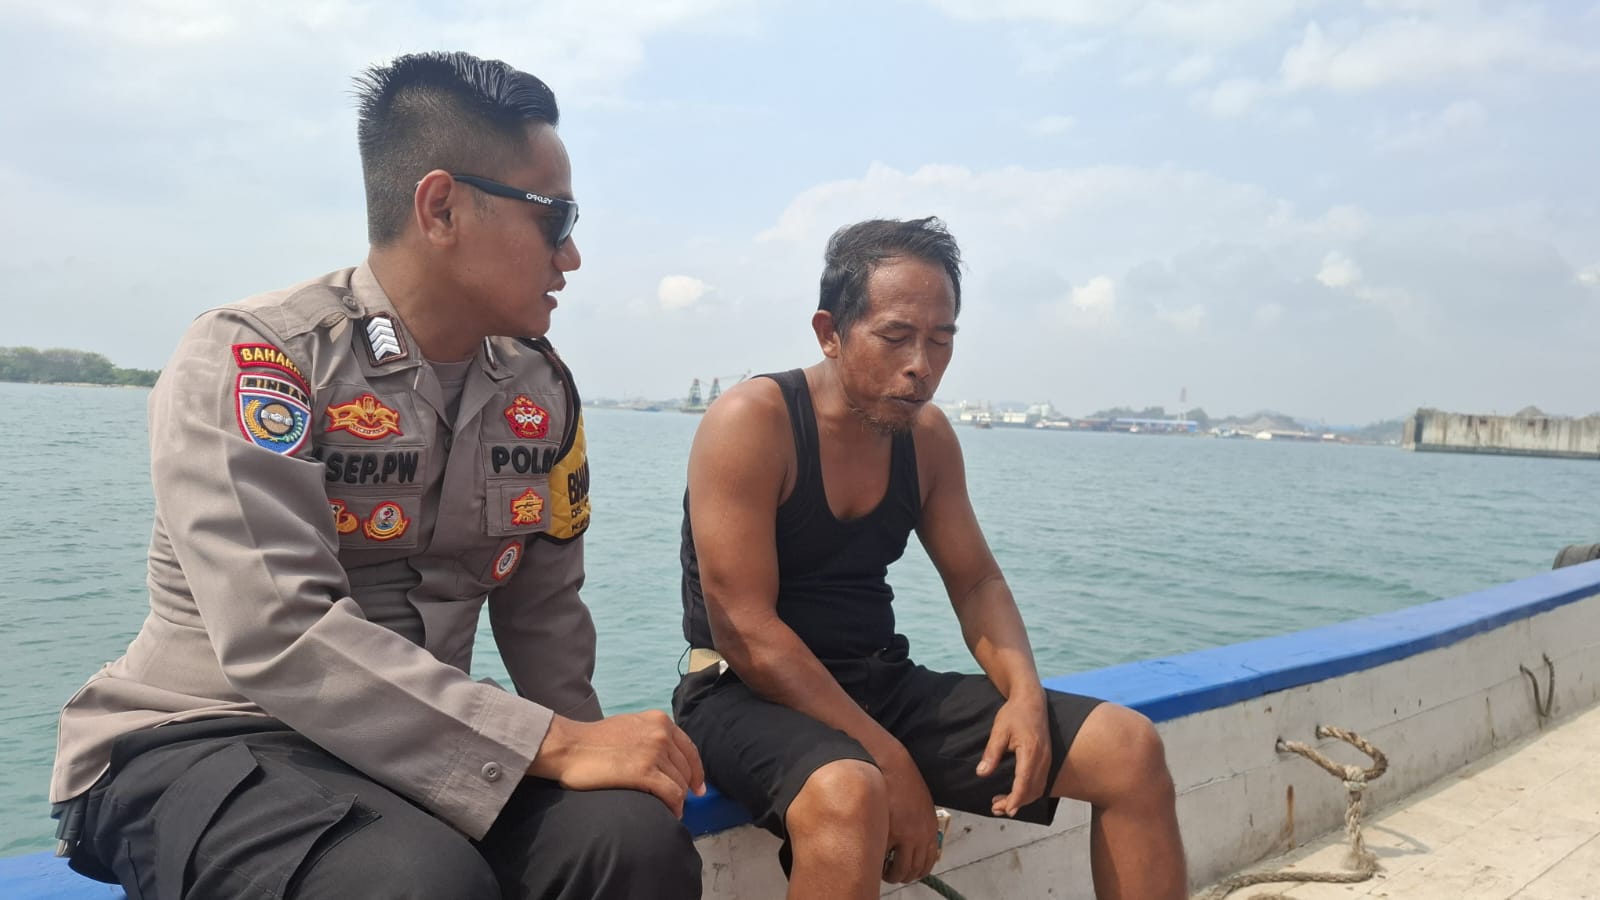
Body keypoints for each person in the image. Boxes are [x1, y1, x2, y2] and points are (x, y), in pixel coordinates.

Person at [50, 51, 704, 900]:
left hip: (423, 742)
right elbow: (279, 633)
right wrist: (555, 745)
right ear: (442, 208)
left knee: (631, 839)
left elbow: (544, 614)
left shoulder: (541, 391)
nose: (571, 256)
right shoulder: (260, 357)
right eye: (556, 218)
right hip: (212, 731)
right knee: (412, 882)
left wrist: (600, 755)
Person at [675, 217, 1187, 899]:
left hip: (877, 682)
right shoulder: (753, 421)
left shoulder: (927, 439)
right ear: (830, 332)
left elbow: (976, 582)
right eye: (895, 337)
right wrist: (889, 761)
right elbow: (745, 628)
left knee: (1129, 750)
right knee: (851, 792)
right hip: (743, 692)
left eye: (941, 341)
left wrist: (1025, 696)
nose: (921, 365)